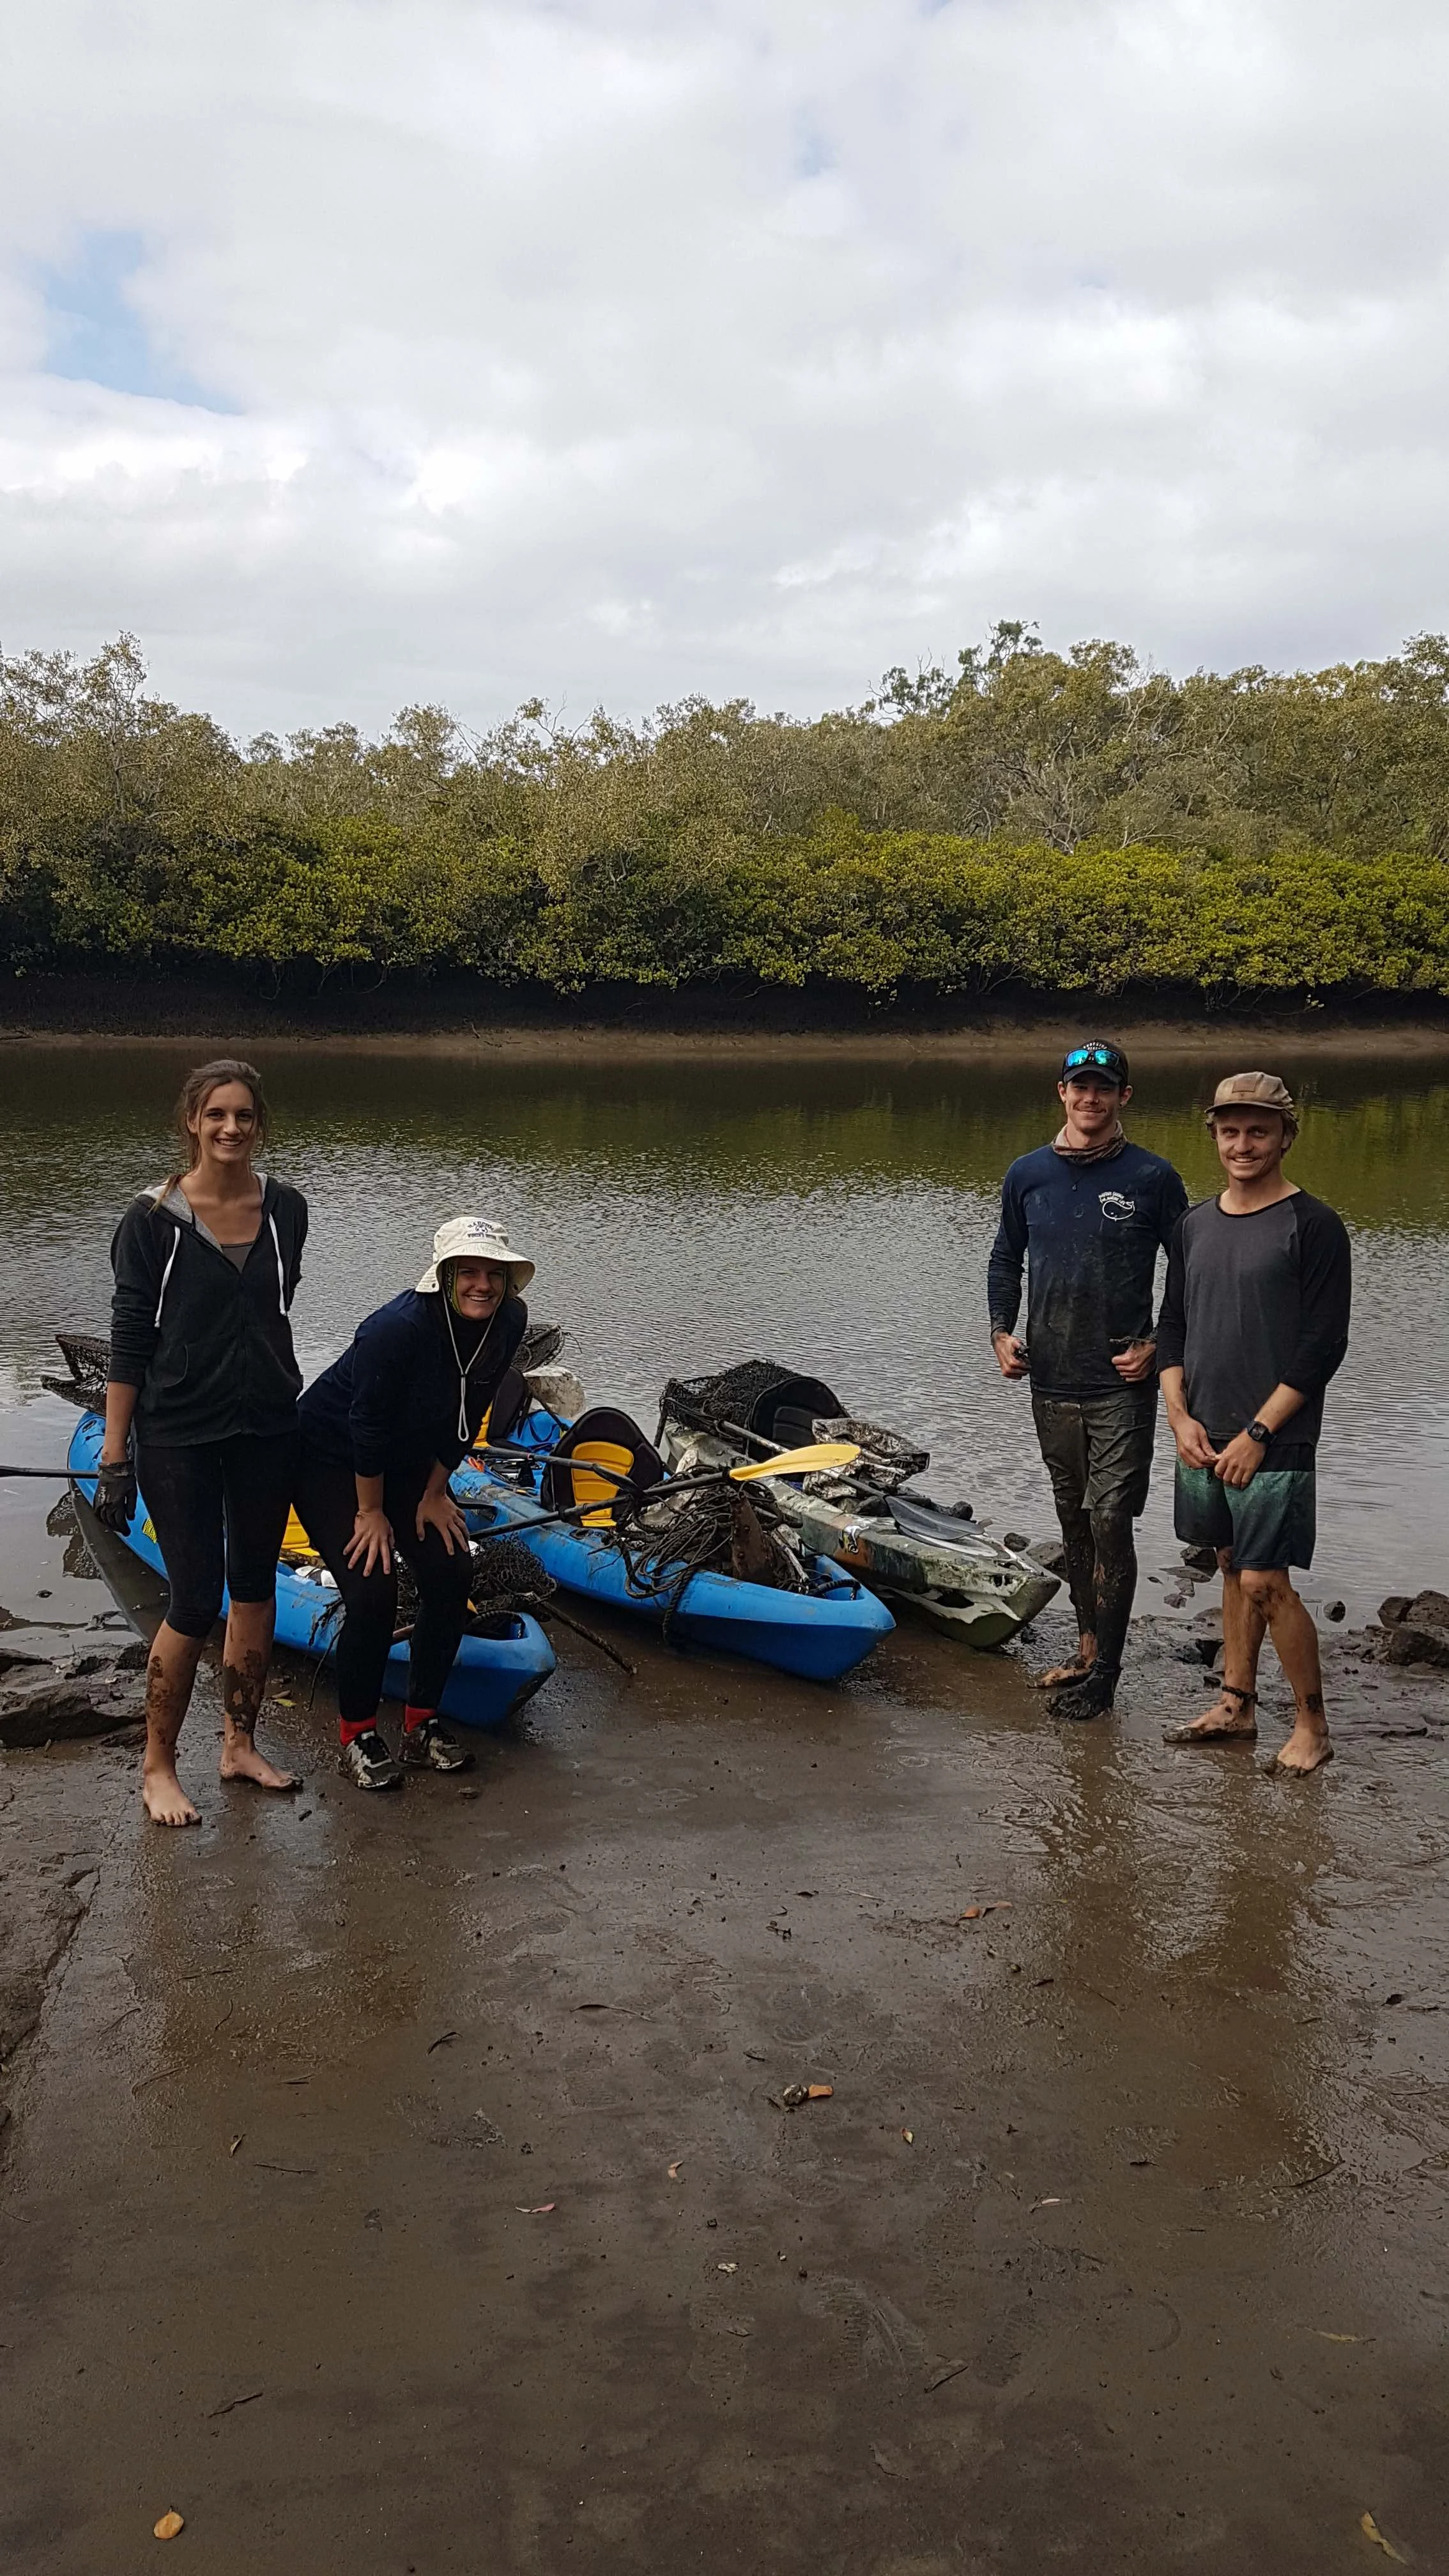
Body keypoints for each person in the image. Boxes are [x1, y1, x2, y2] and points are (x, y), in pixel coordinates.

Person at [95, 1059, 308, 1826]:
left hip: (266, 1428)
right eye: (215, 1114)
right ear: (192, 1121)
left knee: (254, 1588)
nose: (230, 1128)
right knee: (193, 1600)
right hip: (179, 1433)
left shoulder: (286, 1209)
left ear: (259, 1125)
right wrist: (116, 1456)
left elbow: (271, 1315)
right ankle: (157, 1766)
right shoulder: (151, 1220)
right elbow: (128, 1342)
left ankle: (239, 1745)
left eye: (244, 1116)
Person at [293, 1216, 533, 1790]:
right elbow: (365, 1426)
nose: (483, 1285)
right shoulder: (393, 1331)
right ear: (443, 1277)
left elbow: (469, 1413)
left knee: (451, 1572)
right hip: (327, 1457)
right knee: (373, 1587)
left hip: (409, 1465)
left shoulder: (510, 1321)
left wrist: (433, 1494)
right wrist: (371, 1514)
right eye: (468, 1272)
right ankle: (357, 1733)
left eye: (494, 1274)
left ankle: (422, 1724)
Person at [988, 1041, 1189, 1719]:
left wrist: (1159, 1345)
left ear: (1124, 1097)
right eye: (1080, 1087)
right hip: (1050, 1379)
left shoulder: (1153, 1178)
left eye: (1104, 1088)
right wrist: (1000, 1332)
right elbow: (1005, 1257)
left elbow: (1189, 1271)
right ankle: (1082, 1646)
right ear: (1061, 1092)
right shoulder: (1028, 1174)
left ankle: (1106, 1673)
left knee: (1110, 1521)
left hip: (1121, 1385)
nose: (1091, 1099)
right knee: (1073, 1520)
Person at [1156, 1072, 1351, 1774]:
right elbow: (1172, 1324)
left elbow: (1323, 1346)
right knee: (1232, 1566)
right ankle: (1236, 1704)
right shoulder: (1193, 1224)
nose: (1244, 1144)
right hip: (1203, 1432)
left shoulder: (1315, 1227)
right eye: (1231, 1130)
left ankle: (1313, 1727)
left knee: (1268, 1579)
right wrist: (1178, 1417)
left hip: (1276, 1437)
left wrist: (1259, 1434)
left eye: (1259, 1131)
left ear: (1285, 1137)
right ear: (1214, 1134)